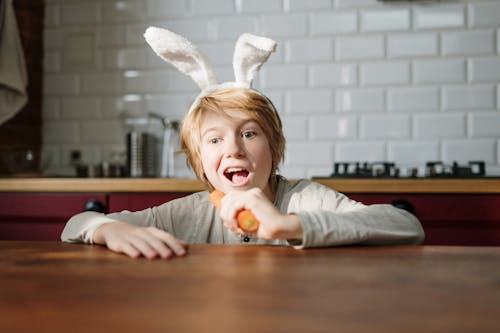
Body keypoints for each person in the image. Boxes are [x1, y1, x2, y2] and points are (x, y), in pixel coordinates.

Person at [61, 27, 425, 259]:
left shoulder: (305, 199)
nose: (233, 149)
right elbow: (75, 225)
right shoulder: (186, 214)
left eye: (249, 133)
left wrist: (289, 225)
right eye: (215, 139)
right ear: (200, 161)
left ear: (275, 148)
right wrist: (109, 228)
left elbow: (406, 226)